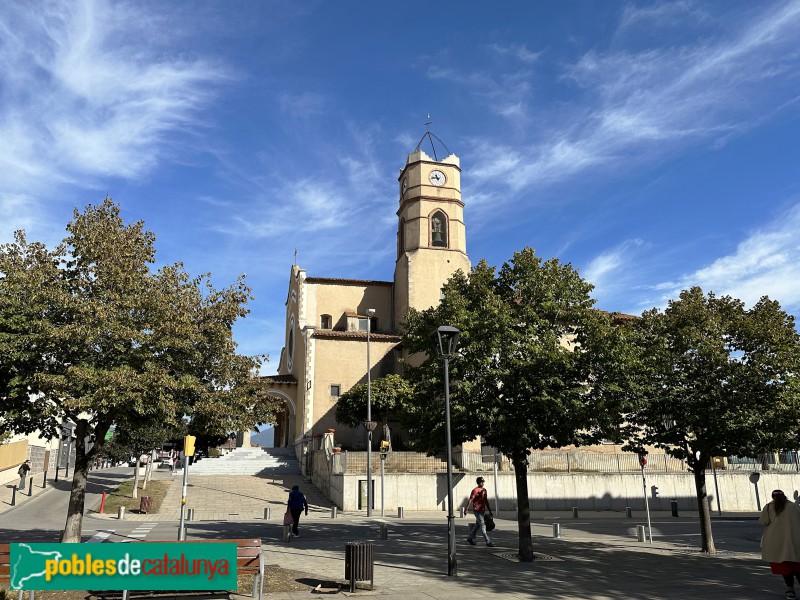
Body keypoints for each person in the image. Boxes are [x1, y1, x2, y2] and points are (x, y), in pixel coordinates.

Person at [760, 489, 800, 598]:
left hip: (776, 542)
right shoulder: (794, 507)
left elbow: (763, 521)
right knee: (797, 566)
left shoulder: (768, 507)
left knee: (785, 568)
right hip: (794, 541)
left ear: (772, 497)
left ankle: (790, 590)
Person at [465, 476, 494, 547]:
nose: (482, 483)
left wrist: (490, 510)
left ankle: (470, 538)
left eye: (483, 481)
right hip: (477, 510)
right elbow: (471, 499)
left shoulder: (484, 490)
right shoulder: (475, 490)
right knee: (482, 525)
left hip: (482, 510)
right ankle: (488, 541)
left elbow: (486, 500)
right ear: (478, 482)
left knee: (477, 525)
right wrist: (466, 509)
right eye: (481, 481)